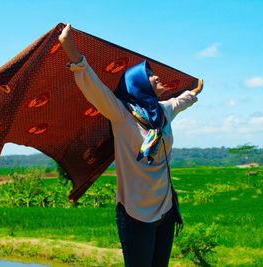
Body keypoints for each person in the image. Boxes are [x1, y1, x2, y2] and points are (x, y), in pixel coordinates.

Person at [59, 24, 203, 267]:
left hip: (165, 210)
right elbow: (94, 88)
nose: (156, 76)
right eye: (149, 75)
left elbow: (182, 100)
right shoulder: (122, 115)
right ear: (138, 85)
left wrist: (197, 89)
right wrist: (69, 47)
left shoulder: (163, 111)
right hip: (136, 215)